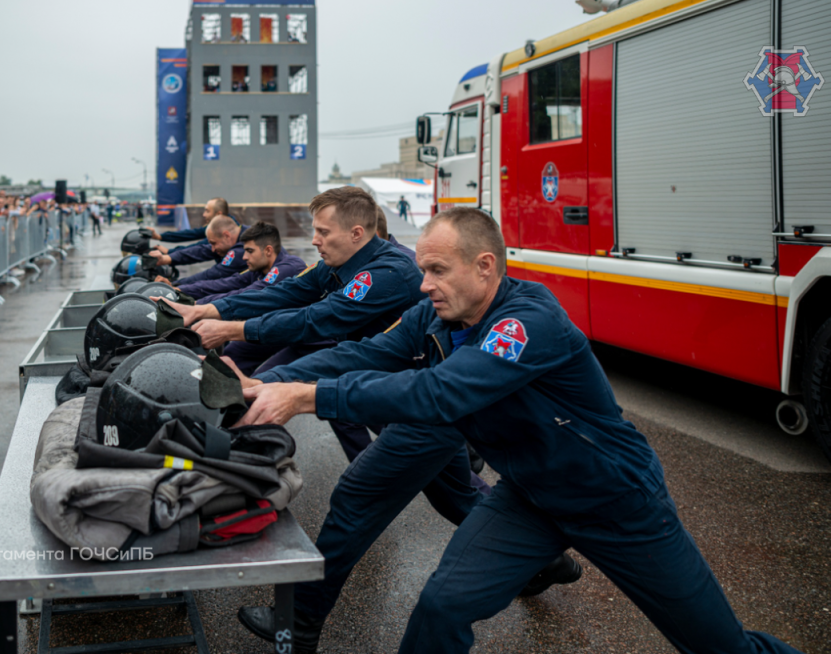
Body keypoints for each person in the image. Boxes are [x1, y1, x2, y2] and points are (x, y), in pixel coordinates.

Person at [233, 207, 801, 654]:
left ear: (485, 266)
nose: (423, 283)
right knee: (442, 605)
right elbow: (366, 351)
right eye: (423, 269)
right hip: (529, 496)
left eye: (437, 270)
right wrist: (265, 384)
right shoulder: (435, 314)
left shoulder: (528, 321)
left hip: (615, 500)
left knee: (719, 646)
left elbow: (442, 393)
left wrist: (307, 398)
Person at [163, 188, 423, 461]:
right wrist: (208, 309)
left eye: (323, 232)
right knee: (383, 455)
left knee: (416, 453)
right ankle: (380, 468)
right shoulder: (339, 262)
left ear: (355, 234)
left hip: (405, 381)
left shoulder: (387, 272)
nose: (314, 241)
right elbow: (286, 292)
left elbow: (316, 319)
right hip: (365, 365)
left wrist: (233, 329)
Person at [176, 222, 306, 304]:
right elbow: (226, 283)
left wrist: (198, 304)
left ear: (268, 251)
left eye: (250, 251)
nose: (244, 257)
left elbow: (245, 294)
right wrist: (180, 289)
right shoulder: (260, 270)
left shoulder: (288, 268)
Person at [149, 215, 248, 286]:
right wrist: (167, 258)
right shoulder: (239, 235)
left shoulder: (241, 250)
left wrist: (175, 285)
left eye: (214, 243)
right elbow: (201, 250)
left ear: (226, 235)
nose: (212, 249)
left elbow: (213, 274)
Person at [143, 197, 231, 247]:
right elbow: (190, 234)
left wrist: (169, 253)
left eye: (207, 211)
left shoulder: (224, 232)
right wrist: (160, 236)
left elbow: (199, 248)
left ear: (218, 214)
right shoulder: (218, 226)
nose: (204, 215)